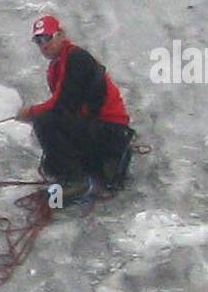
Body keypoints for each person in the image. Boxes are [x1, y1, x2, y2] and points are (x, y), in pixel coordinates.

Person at [14, 15, 134, 201]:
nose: (43, 45)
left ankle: (76, 180)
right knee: (51, 161)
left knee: (45, 120)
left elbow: (63, 105)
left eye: (47, 38)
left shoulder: (76, 58)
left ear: (61, 35)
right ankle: (79, 172)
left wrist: (31, 112)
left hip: (111, 131)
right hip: (99, 128)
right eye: (38, 41)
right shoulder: (59, 64)